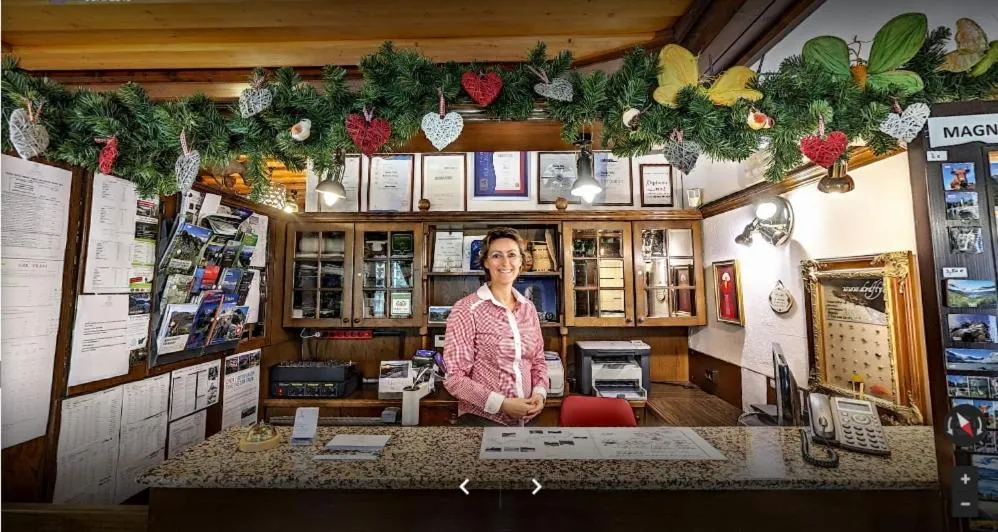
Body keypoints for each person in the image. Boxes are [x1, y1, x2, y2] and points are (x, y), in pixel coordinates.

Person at [443, 227, 549, 426]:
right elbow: (454, 377)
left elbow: (538, 361)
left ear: (521, 261)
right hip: (484, 420)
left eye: (512, 255)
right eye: (496, 255)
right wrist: (502, 404)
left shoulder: (529, 308)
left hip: (529, 419)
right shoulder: (467, 309)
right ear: (486, 262)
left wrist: (540, 394)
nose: (505, 263)